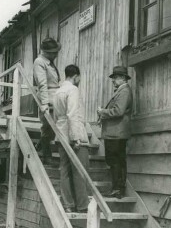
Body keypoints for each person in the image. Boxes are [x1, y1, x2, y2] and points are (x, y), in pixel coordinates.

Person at [54, 65, 89, 213]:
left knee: (65, 171)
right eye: (79, 78)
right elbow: (72, 114)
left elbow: (56, 116)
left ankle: (68, 205)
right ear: (76, 76)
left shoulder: (58, 91)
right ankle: (82, 205)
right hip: (73, 134)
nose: (79, 80)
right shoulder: (73, 90)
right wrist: (76, 138)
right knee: (80, 170)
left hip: (61, 133)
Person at [97, 66, 133, 199]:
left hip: (116, 133)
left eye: (115, 78)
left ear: (123, 78)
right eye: (113, 78)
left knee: (115, 160)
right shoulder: (121, 91)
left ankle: (118, 189)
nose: (113, 80)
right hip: (115, 132)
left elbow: (118, 111)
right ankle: (117, 188)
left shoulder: (124, 92)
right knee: (115, 160)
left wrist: (103, 112)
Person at [33, 37, 61, 163]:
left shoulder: (49, 62)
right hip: (48, 97)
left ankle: (41, 145)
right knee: (47, 126)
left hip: (55, 96)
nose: (56, 55)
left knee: (54, 125)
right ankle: (46, 155)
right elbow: (42, 83)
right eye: (54, 52)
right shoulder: (39, 62)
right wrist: (44, 103)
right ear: (47, 52)